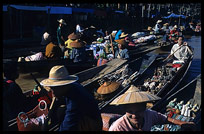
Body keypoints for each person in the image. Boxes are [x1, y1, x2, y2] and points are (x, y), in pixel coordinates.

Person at [40, 65, 103, 131]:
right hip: (84, 116)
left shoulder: (74, 100)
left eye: (54, 89)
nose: (52, 93)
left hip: (92, 124)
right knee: (60, 111)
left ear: (63, 86)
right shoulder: (72, 86)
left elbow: (67, 127)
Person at [108, 85, 196, 131]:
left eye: (138, 111)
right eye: (130, 112)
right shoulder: (117, 128)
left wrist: (182, 123)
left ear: (144, 108)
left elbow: (164, 119)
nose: (134, 115)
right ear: (125, 111)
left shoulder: (149, 114)